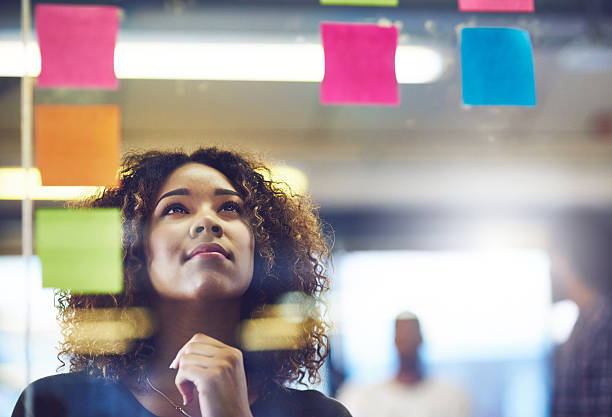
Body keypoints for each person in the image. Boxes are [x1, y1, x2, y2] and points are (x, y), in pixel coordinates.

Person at [12, 147, 351, 417]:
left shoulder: (318, 413)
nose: (208, 221)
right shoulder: (54, 405)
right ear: (137, 251)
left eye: (230, 208)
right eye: (176, 209)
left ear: (259, 245)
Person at [336, 312, 471, 417]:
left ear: (420, 339)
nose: (406, 341)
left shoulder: (451, 397)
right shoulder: (361, 397)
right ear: (394, 340)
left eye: (411, 334)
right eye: (402, 336)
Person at [549, 214, 612, 417]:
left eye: (554, 257)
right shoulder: (585, 324)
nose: (551, 268)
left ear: (568, 261)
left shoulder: (604, 328)